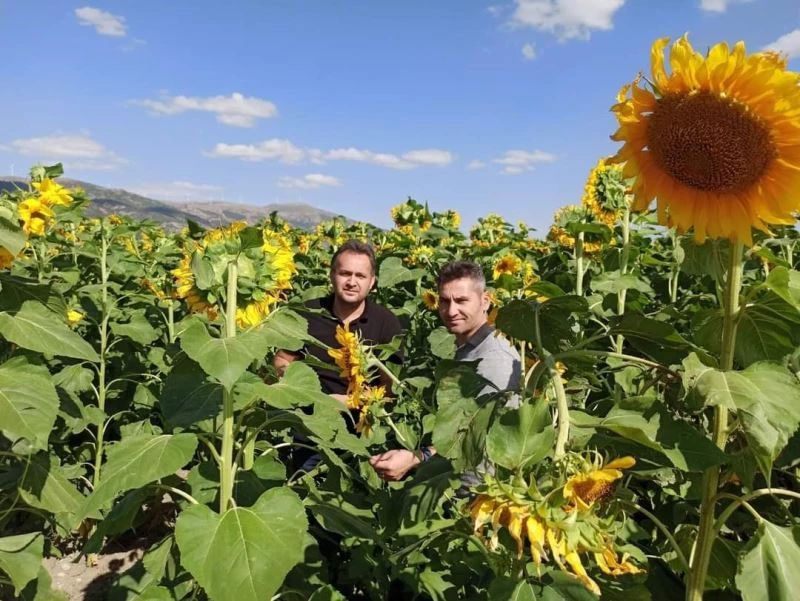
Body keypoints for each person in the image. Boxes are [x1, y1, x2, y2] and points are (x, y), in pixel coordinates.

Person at [369, 259, 521, 481]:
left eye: (461, 300)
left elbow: (474, 431)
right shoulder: (468, 349)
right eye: (444, 301)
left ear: (485, 301)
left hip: (482, 488)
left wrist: (416, 458)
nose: (451, 311)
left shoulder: (494, 358)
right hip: (458, 480)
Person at [275, 239, 403, 471]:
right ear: (332, 275)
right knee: (305, 491)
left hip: (364, 432)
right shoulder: (307, 313)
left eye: (360, 276)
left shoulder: (386, 323)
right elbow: (282, 362)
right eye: (345, 273)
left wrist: (353, 401)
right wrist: (308, 393)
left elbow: (391, 388)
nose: (352, 282)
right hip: (311, 430)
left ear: (372, 282)